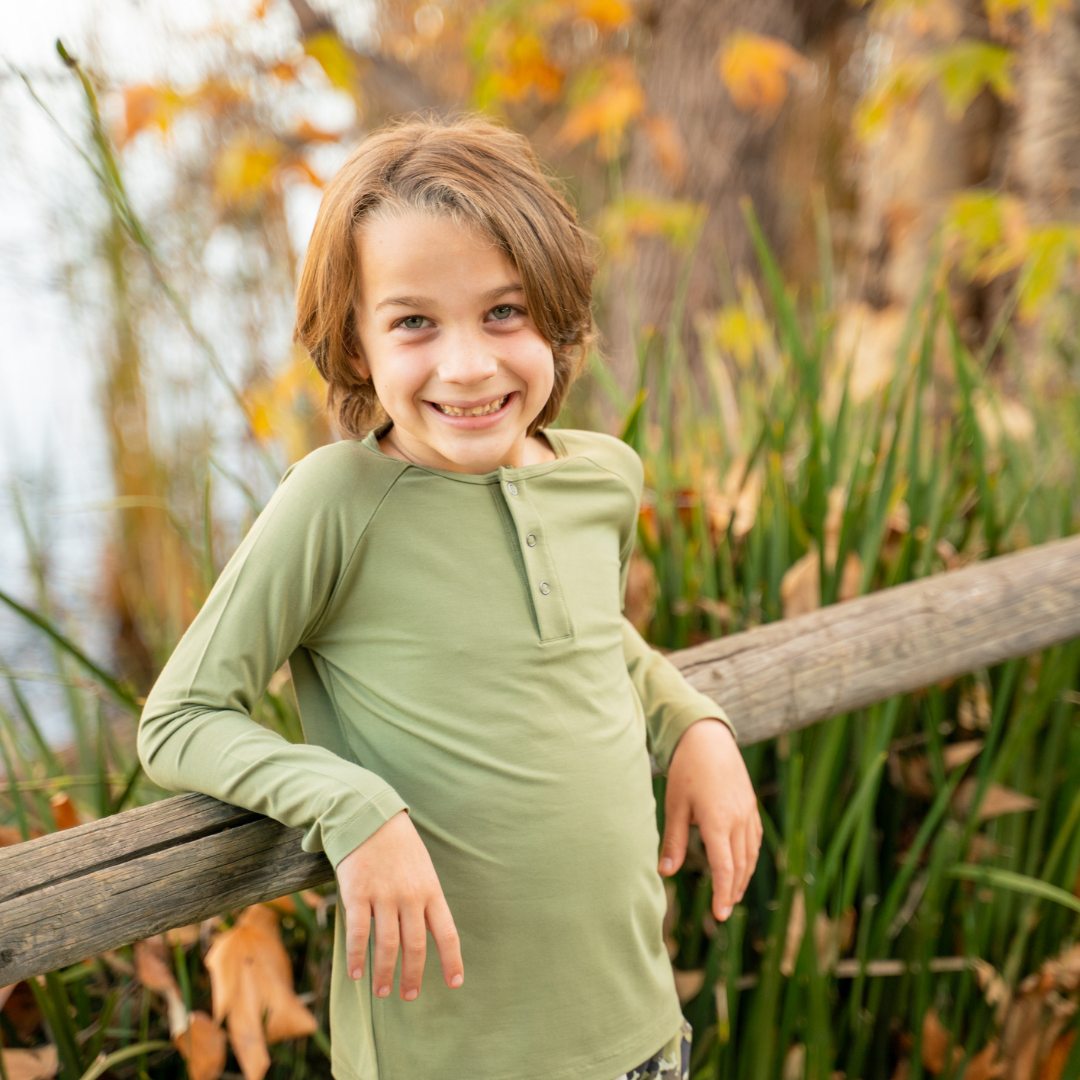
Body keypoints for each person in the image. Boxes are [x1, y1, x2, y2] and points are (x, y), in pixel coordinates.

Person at [137, 115, 762, 1080]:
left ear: (556, 313)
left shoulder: (602, 476)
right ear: (356, 344)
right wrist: (350, 804)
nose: (468, 365)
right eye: (414, 322)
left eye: (504, 312)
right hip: (446, 1058)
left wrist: (690, 722)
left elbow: (596, 640)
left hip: (639, 1036)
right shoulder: (336, 503)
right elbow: (178, 720)